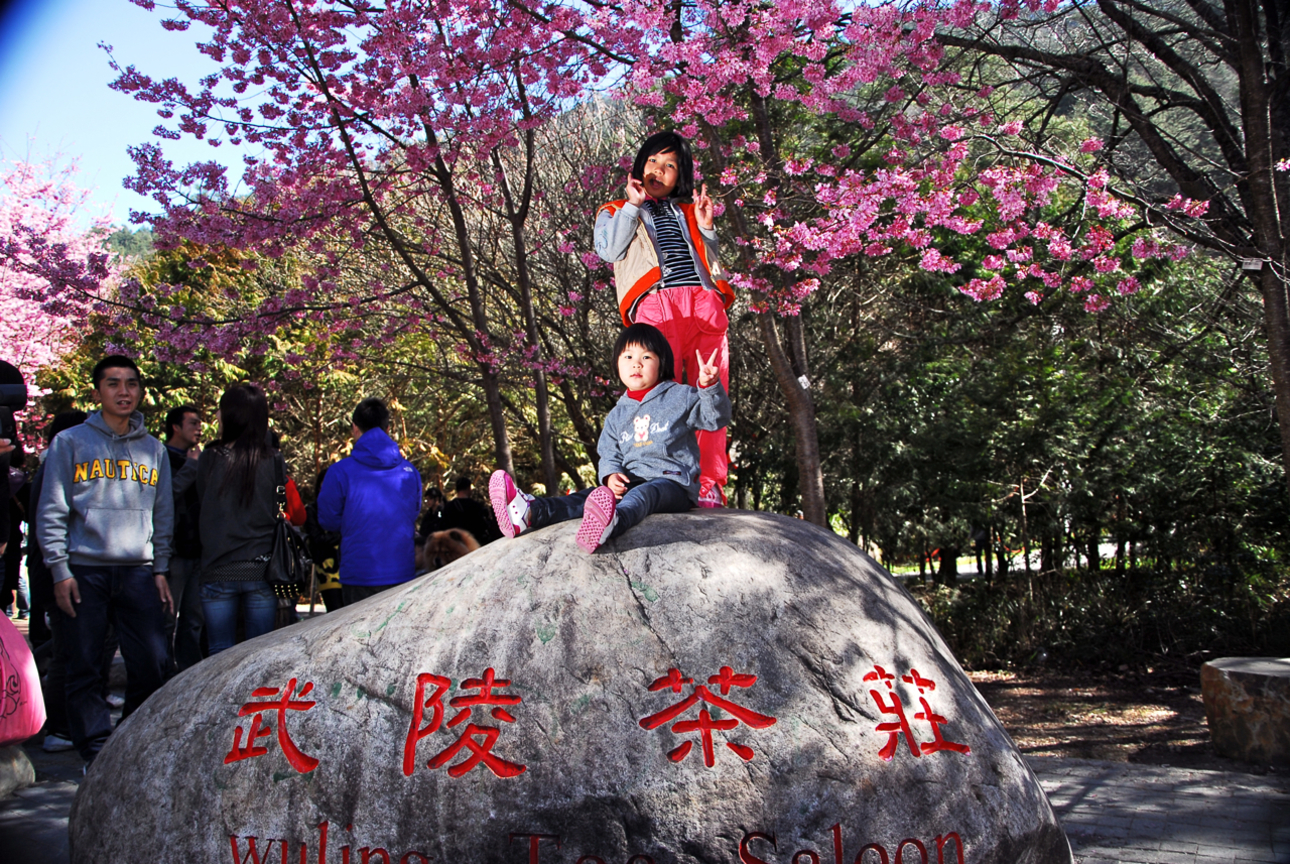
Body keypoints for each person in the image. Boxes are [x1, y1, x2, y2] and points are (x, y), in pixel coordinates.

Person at [36, 355, 175, 766]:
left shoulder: (154, 449)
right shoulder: (71, 443)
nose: (123, 392)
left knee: (152, 663)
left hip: (138, 570)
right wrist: (60, 570)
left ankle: (127, 745)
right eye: (113, 383)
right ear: (98, 391)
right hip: (84, 570)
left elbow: (163, 512)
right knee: (84, 665)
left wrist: (161, 568)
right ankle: (95, 752)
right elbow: (52, 509)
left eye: (131, 383)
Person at [490, 323, 730, 553]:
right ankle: (529, 511)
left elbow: (714, 419)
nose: (636, 364)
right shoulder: (617, 414)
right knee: (587, 497)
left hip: (672, 483)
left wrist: (709, 387)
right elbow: (609, 453)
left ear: (662, 362)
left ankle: (613, 521)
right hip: (633, 480)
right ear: (617, 365)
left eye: (646, 357)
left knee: (643, 495)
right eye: (628, 357)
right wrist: (611, 475)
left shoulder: (680, 396)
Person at [594, 130, 735, 508]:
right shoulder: (614, 209)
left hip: (703, 303)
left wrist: (707, 228)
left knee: (711, 389)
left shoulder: (688, 210)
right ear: (640, 165)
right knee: (659, 395)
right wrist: (632, 205)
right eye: (653, 161)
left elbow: (710, 259)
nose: (659, 169)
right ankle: (654, 474)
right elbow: (608, 249)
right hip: (656, 305)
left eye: (670, 165)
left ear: (680, 176)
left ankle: (709, 482)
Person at [197, 384, 282, 655]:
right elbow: (279, 508)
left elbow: (202, 504)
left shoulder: (210, 458)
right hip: (261, 567)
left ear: (230, 415)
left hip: (218, 566)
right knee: (259, 654)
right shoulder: (274, 460)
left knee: (219, 652)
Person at [317, 398, 422, 605]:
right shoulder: (409, 471)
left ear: (355, 428)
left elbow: (328, 519)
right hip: (401, 568)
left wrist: (353, 523)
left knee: (358, 626)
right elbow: (413, 512)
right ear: (388, 429)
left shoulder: (339, 472)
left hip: (358, 571)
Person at [162, 404, 205, 672]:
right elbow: (165, 497)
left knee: (193, 618)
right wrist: (191, 467)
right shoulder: (160, 457)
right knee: (166, 617)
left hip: (198, 548)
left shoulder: (199, 459)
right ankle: (163, 671)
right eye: (193, 423)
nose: (199, 428)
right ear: (176, 427)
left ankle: (189, 673)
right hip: (173, 550)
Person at [440, 476, 501, 545]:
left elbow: (444, 526)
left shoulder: (448, 507)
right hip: (474, 542)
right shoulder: (475, 505)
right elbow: (482, 525)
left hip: (456, 544)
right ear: (468, 488)